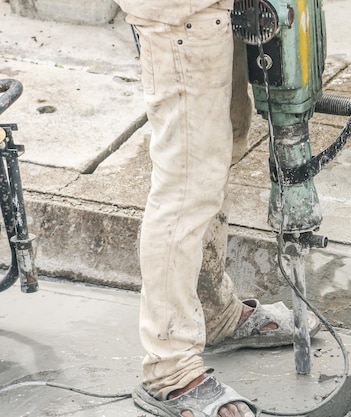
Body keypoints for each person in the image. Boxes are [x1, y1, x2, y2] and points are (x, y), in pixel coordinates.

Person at [111, 1, 321, 416]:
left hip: (219, 9)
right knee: (187, 183)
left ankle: (213, 312)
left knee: (223, 148)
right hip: (180, 13)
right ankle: (170, 368)